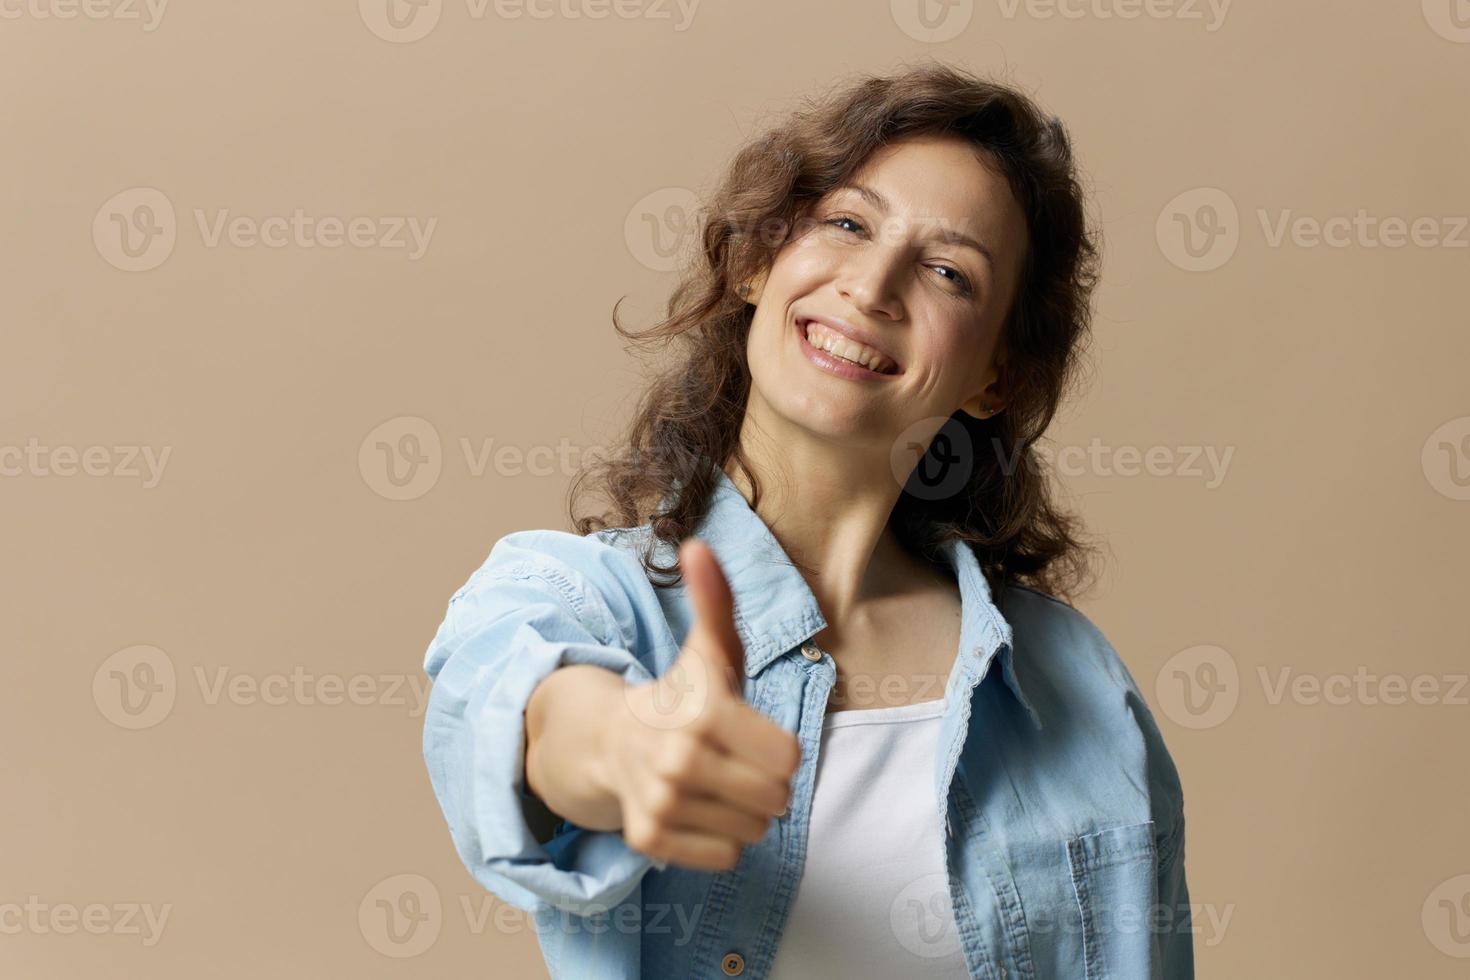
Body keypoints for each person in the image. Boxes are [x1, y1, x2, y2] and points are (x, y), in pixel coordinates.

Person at [421, 61, 1193, 979]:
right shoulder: (576, 595)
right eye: (848, 224)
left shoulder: (1077, 685)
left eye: (949, 271)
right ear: (756, 261)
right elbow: (523, 710)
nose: (872, 287)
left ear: (998, 376)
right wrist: (626, 743)